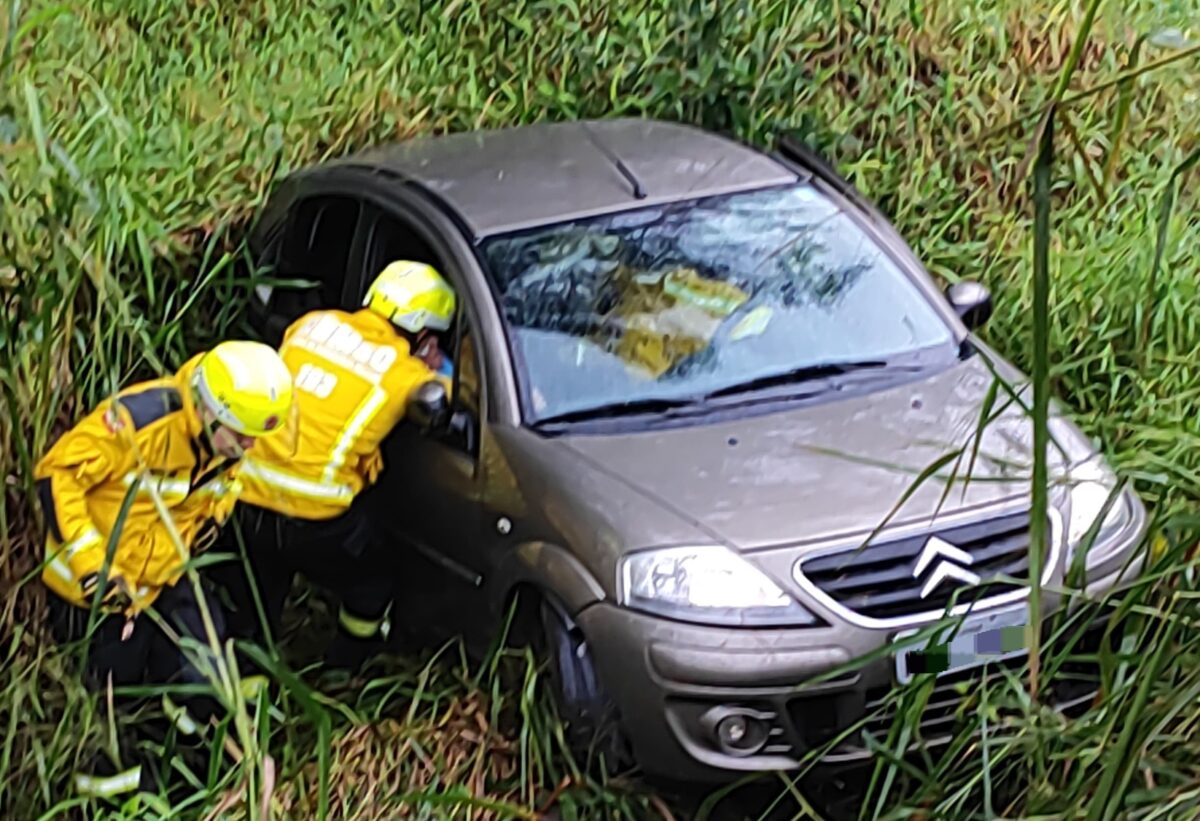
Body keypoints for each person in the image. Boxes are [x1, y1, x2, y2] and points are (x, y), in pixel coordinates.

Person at [35, 340, 295, 798]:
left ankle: (191, 755)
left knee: (205, 661)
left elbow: (212, 496)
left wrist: (205, 530)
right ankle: (113, 794)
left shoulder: (230, 438)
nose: (249, 447)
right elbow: (56, 475)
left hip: (162, 579)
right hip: (95, 594)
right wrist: (98, 568)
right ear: (211, 410)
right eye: (240, 436)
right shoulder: (141, 423)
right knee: (112, 703)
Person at [218, 260, 456, 671]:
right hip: (315, 516)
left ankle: (246, 702)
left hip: (247, 495)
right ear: (422, 332)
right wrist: (440, 365)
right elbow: (449, 398)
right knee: (373, 582)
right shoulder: (405, 375)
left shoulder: (310, 325)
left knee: (255, 603)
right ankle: (345, 669)